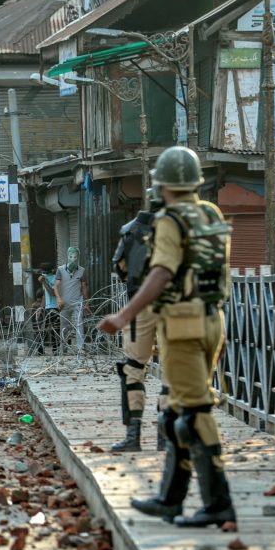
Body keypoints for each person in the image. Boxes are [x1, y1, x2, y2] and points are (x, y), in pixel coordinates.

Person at [99, 146, 235, 528]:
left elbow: (159, 272)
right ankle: (169, 499)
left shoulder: (170, 220)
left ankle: (218, 503)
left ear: (162, 186)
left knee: (193, 413)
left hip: (182, 325)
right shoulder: (211, 213)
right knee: (175, 415)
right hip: (211, 320)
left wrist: (124, 314)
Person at [110, 186, 167, 453]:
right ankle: (165, 436)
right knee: (172, 371)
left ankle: (133, 436)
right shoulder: (179, 226)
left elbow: (119, 266)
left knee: (133, 367)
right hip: (172, 307)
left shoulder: (130, 229)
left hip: (138, 305)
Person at [55, 247, 89, 353]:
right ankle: (63, 348)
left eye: (75, 257)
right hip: (64, 302)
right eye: (71, 256)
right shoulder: (60, 269)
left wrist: (87, 302)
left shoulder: (82, 270)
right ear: (67, 256)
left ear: (78, 257)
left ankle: (80, 348)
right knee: (64, 325)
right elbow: (56, 286)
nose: (73, 259)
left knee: (79, 323)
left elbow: (84, 287)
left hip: (78, 301)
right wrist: (59, 299)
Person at [36, 262, 60, 355]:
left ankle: (55, 350)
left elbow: (53, 293)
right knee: (41, 329)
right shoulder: (44, 278)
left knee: (55, 330)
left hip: (55, 307)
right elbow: (45, 296)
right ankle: (40, 350)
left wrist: (44, 282)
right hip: (47, 307)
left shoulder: (55, 279)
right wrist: (40, 308)